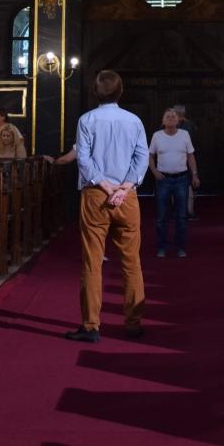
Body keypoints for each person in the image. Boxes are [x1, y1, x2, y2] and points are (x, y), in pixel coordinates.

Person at [66, 69, 148, 343]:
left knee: (92, 262)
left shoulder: (87, 119)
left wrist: (105, 185)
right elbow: (141, 158)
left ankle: (91, 326)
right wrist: (124, 186)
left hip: (95, 195)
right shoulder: (134, 120)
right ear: (120, 92)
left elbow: (84, 159)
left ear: (95, 92)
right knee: (131, 262)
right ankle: (133, 324)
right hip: (127, 197)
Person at [149, 108, 198, 258]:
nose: (171, 118)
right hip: (163, 180)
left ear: (178, 120)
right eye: (168, 116)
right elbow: (150, 156)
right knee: (162, 216)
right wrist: (154, 171)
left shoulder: (184, 134)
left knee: (181, 216)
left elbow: (190, 156)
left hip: (181, 179)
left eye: (173, 116)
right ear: (162, 120)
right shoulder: (157, 136)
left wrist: (195, 175)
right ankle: (162, 247)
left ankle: (180, 247)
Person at [172, 102, 198, 217]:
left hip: (182, 158)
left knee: (180, 185)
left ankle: (180, 211)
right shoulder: (190, 125)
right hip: (187, 158)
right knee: (188, 185)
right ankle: (189, 211)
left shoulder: (180, 126)